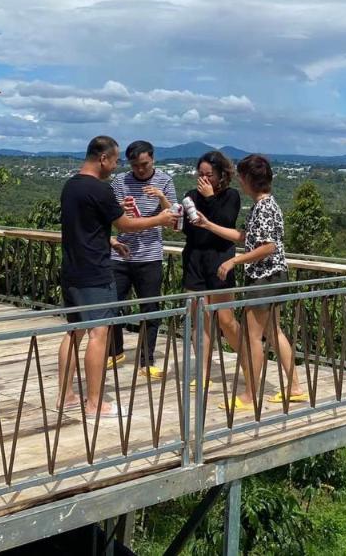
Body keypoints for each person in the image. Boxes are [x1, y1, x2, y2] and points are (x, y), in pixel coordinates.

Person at [58, 135, 176, 418]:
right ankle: (95, 403)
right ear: (102, 158)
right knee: (99, 334)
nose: (115, 166)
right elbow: (125, 224)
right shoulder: (99, 190)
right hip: (95, 272)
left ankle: (67, 396)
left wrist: (108, 241)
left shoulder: (70, 186)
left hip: (71, 269)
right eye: (114, 160)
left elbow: (84, 228)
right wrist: (160, 219)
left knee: (74, 332)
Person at [191, 153, 305, 409]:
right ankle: (295, 387)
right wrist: (209, 225)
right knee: (274, 333)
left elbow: (267, 247)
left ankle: (250, 394)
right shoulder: (267, 204)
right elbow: (245, 238)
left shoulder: (263, 207)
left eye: (241, 177)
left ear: (248, 179)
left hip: (264, 277)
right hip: (274, 275)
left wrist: (234, 262)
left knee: (253, 338)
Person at [107, 140, 177, 377]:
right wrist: (121, 208)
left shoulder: (165, 180)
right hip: (121, 254)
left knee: (150, 308)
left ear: (153, 159)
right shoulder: (120, 181)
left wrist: (161, 198)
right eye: (135, 165)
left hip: (150, 256)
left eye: (144, 165)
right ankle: (114, 351)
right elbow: (110, 214)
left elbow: (176, 221)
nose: (140, 170)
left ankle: (147, 361)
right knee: (112, 306)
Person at [181, 150, 248, 392]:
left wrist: (209, 199)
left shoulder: (231, 196)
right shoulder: (191, 195)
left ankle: (249, 362)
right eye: (201, 174)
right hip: (195, 260)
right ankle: (203, 373)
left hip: (220, 259)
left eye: (209, 174)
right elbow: (190, 230)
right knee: (200, 320)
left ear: (221, 174)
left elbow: (225, 224)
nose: (204, 179)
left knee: (225, 319)